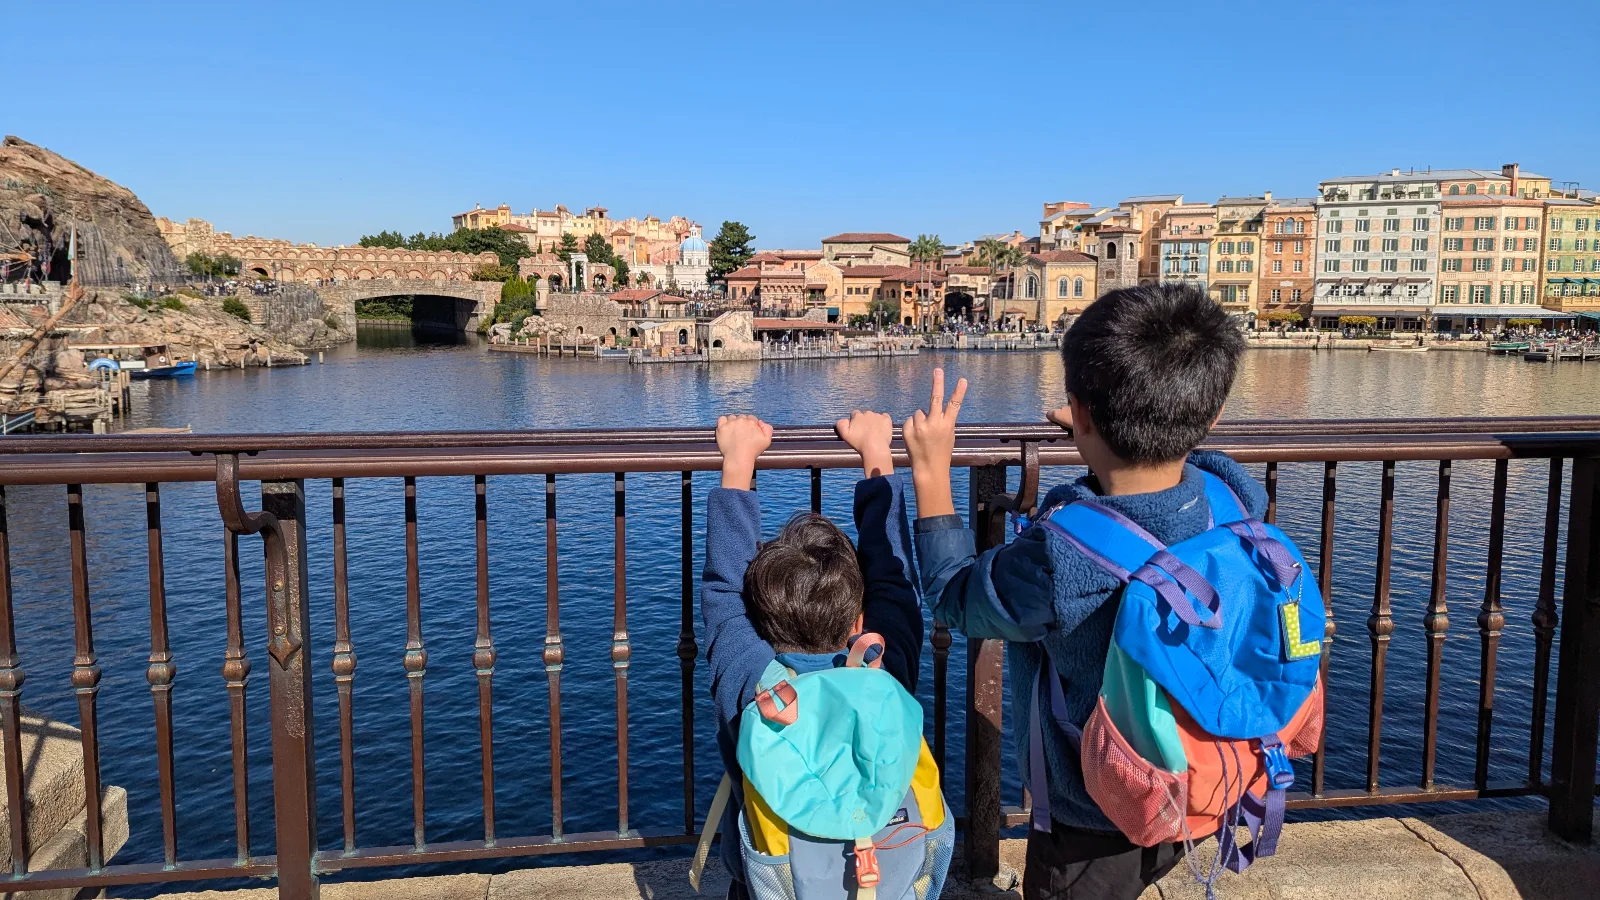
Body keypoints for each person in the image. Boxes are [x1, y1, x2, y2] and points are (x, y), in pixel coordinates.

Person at [904, 284, 1266, 900]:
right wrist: (1106, 431)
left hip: (1096, 811)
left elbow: (952, 595)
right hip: (1208, 770)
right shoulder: (1232, 497)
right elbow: (1176, 459)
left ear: (1082, 412)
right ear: (1210, 416)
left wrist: (931, 470)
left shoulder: (1061, 558)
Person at [700, 412, 950, 900]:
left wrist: (738, 463)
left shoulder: (754, 682)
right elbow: (894, 582)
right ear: (861, 621)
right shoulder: (885, 669)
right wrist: (877, 453)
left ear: (759, 627)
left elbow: (723, 593)